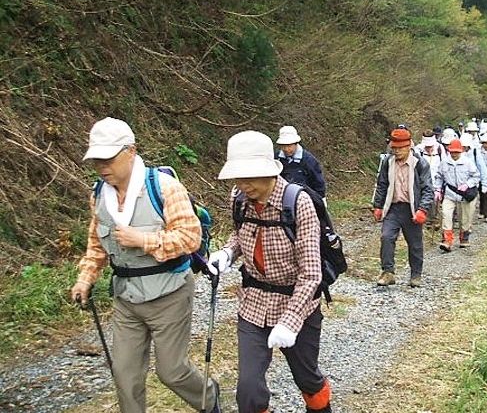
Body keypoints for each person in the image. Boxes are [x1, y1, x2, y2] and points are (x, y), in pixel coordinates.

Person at [70, 117, 220, 413]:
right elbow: (96, 243)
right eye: (96, 160)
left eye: (108, 158)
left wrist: (142, 239)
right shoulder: (99, 195)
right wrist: (85, 278)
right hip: (126, 297)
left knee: (172, 371)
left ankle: (209, 397)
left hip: (170, 294)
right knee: (124, 376)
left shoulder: (165, 187)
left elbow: (190, 238)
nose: (101, 166)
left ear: (131, 151)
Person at [209, 130, 331, 413]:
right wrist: (228, 252)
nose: (243, 184)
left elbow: (312, 272)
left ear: (269, 171)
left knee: (307, 379)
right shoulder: (238, 198)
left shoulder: (298, 202)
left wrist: (290, 320)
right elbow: (240, 234)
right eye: (238, 177)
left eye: (250, 176)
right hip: (253, 303)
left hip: (297, 303)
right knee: (248, 390)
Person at [372, 128, 434, 288]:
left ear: (408, 146)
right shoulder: (388, 162)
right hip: (393, 208)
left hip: (412, 208)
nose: (397, 151)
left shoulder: (420, 163)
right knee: (386, 237)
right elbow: (382, 185)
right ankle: (388, 272)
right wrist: (378, 206)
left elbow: (428, 189)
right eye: (394, 148)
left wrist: (423, 209)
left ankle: (416, 275)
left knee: (415, 243)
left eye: (400, 148)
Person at [434, 138, 480, 251]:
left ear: (461, 151)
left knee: (464, 219)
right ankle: (447, 240)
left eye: (456, 152)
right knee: (446, 214)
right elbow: (439, 177)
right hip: (449, 194)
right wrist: (438, 190)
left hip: (464, 195)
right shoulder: (444, 162)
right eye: (452, 152)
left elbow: (476, 176)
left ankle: (464, 238)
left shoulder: (468, 162)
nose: (454, 154)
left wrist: (467, 185)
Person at [276, 125, 327, 199]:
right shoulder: (277, 159)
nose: (286, 149)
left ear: (296, 143)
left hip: (305, 200)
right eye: (283, 146)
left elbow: (319, 184)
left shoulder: (309, 160)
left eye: (289, 145)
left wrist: (320, 202)